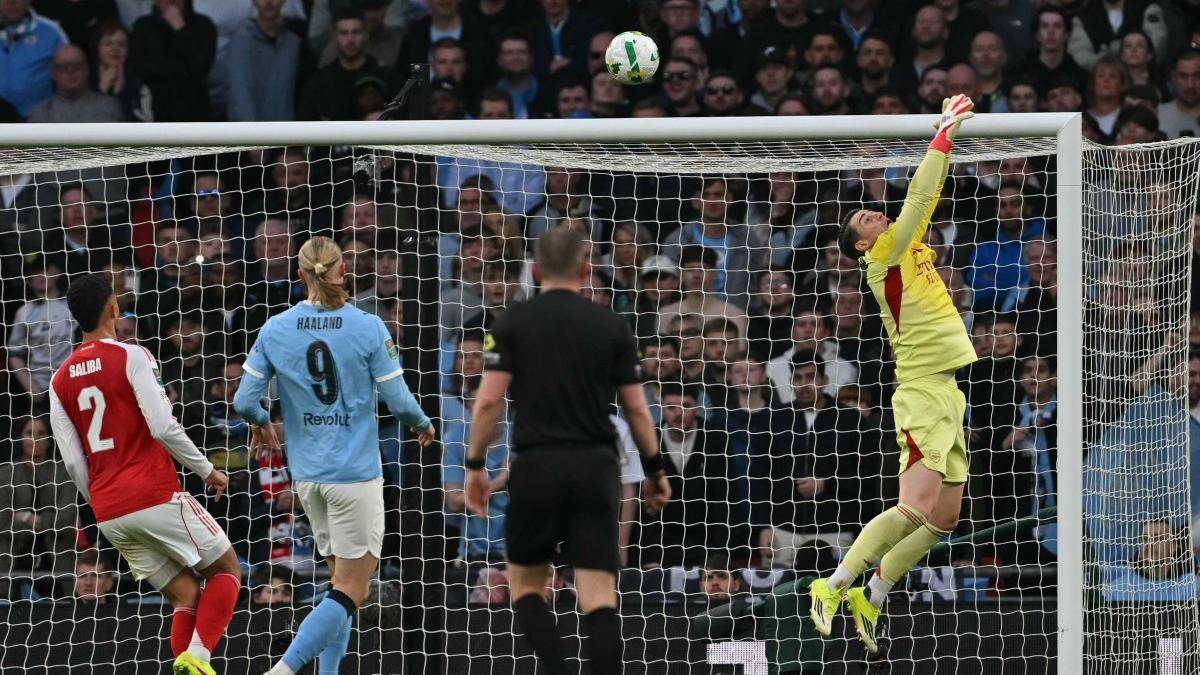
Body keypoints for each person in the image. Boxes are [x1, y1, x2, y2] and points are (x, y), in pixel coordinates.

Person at [809, 93, 978, 653]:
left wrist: (943, 146)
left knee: (944, 518)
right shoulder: (883, 257)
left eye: (874, 211)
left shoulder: (908, 248)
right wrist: (943, 134)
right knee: (913, 508)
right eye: (866, 218)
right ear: (862, 244)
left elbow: (925, 200)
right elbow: (921, 194)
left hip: (948, 392)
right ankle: (833, 584)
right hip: (922, 393)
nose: (878, 214)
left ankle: (874, 592)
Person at [463, 228, 671, 675]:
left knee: (526, 587)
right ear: (585, 268)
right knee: (598, 597)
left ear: (536, 271)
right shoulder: (611, 324)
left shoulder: (512, 322)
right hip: (595, 468)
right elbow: (637, 409)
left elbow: (488, 401)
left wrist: (476, 464)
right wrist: (655, 470)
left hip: (537, 466)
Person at [233, 236, 436, 675]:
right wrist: (423, 423)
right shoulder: (368, 326)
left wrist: (261, 422)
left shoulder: (275, 328)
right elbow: (399, 401)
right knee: (353, 590)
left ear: (300, 274)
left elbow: (244, 400)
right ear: (344, 271)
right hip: (355, 476)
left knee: (339, 586)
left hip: (308, 479)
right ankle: (283, 670)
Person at [48, 273, 240, 675]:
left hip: (108, 511)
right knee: (226, 570)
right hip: (152, 493)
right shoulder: (132, 356)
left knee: (185, 595)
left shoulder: (58, 380)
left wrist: (102, 501)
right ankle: (200, 658)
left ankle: (188, 666)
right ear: (114, 308)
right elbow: (163, 426)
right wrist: (207, 470)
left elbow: (73, 462)